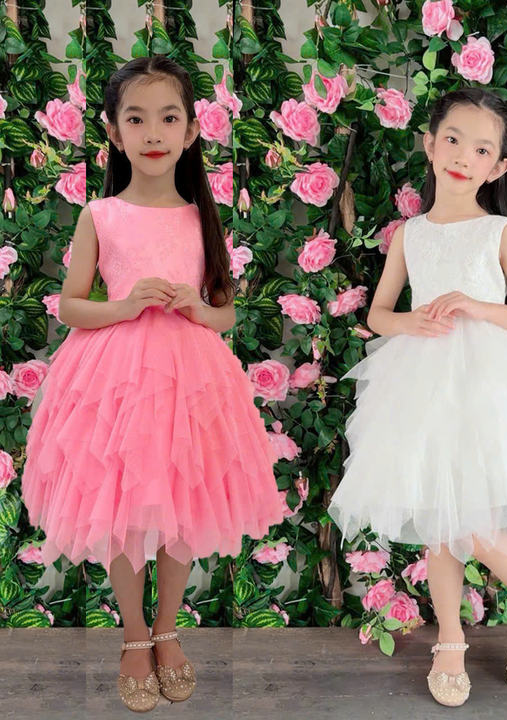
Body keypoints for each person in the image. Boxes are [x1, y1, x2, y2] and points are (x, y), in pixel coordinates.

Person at [327, 87, 507, 707]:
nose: (464, 156)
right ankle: (450, 639)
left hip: (489, 384)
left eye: (482, 149)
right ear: (430, 145)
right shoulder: (409, 235)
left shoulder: (500, 230)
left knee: (478, 527)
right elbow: (379, 314)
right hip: (421, 382)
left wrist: (476, 306)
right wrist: (411, 323)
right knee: (440, 523)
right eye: (453, 140)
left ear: (498, 168)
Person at [21, 56, 287, 713]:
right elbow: (70, 306)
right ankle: (134, 634)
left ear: (192, 130)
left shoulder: (201, 217)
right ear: (113, 133)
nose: (153, 133)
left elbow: (224, 312)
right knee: (120, 505)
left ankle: (168, 627)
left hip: (190, 380)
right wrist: (125, 304)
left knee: (181, 501)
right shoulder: (101, 215)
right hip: (115, 377)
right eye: (135, 120)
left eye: (169, 118)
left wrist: (198, 309)